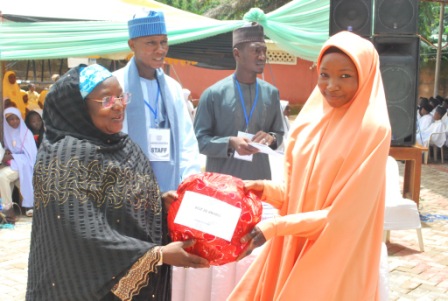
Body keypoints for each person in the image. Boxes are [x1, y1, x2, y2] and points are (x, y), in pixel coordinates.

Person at [228, 31, 392, 300]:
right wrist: (264, 190)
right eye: (325, 74)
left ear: (366, 75)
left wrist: (275, 227)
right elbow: (298, 194)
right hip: (291, 243)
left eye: (345, 76)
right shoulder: (309, 121)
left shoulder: (372, 131)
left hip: (334, 255)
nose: (331, 85)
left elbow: (344, 218)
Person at [26, 64, 209, 301]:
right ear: (78, 107)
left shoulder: (124, 146)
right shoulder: (64, 156)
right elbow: (78, 230)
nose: (119, 105)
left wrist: (156, 202)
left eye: (121, 96)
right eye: (106, 100)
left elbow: (118, 201)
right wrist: (158, 255)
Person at [113, 10, 200, 193]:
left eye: (163, 42)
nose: (160, 49)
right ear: (132, 45)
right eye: (151, 43)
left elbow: (186, 140)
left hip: (171, 187)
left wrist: (189, 181)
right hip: (127, 189)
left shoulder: (173, 88)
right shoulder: (115, 85)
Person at [194, 22, 284, 180]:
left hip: (259, 181)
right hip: (221, 185)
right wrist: (229, 142)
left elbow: (279, 132)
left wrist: (272, 138)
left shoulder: (271, 93)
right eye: (256, 51)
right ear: (237, 54)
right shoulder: (213, 94)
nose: (262, 56)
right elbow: (199, 141)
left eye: (264, 51)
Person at [0, 107, 37, 221]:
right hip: (13, 164)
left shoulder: (26, 133)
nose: (15, 121)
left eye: (17, 118)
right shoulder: (4, 133)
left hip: (25, 164)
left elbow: (31, 155)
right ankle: (8, 211)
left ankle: (7, 209)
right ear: (6, 121)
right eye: (11, 119)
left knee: (3, 176)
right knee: (13, 181)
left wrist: (11, 156)